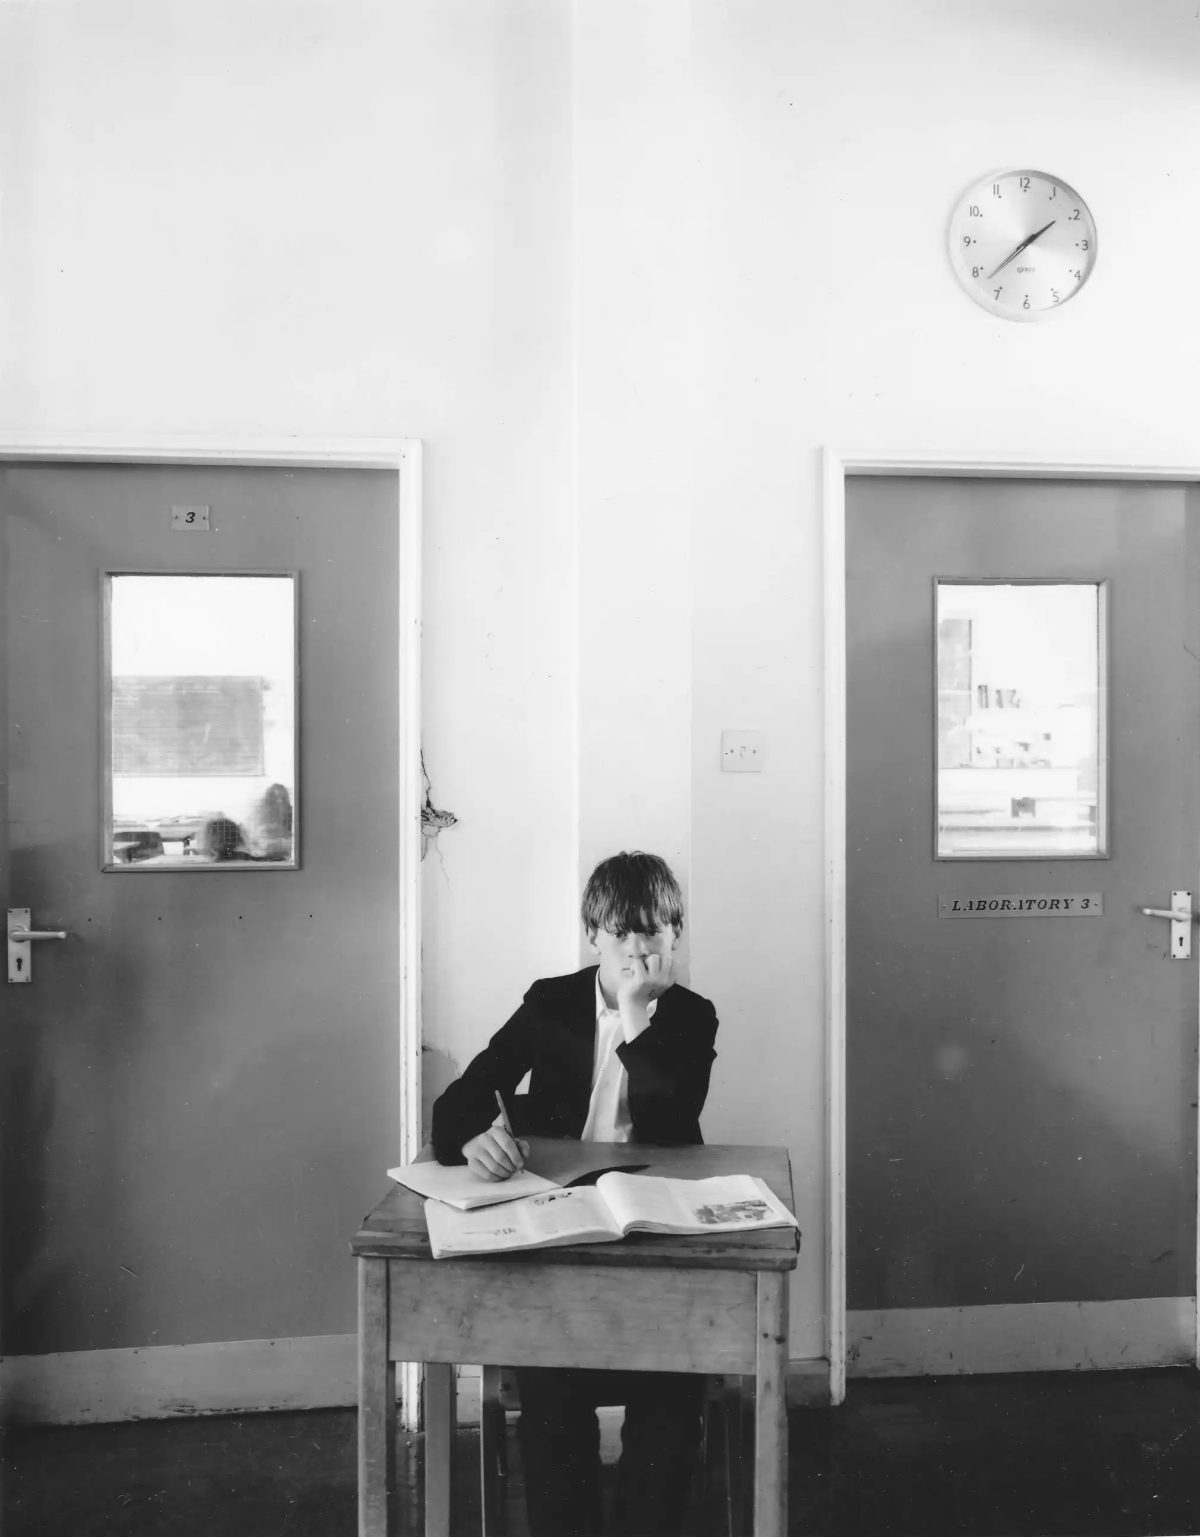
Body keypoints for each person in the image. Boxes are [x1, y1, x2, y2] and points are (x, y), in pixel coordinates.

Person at [431, 851, 719, 1537]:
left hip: (653, 1239)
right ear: (594, 935)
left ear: (676, 936)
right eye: (622, 932)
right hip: (562, 1238)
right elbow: (456, 1104)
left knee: (675, 1389)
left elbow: (671, 1125)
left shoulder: (692, 1016)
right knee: (551, 1386)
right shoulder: (550, 1002)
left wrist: (632, 1013)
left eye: (656, 930)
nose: (639, 947)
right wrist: (473, 1136)